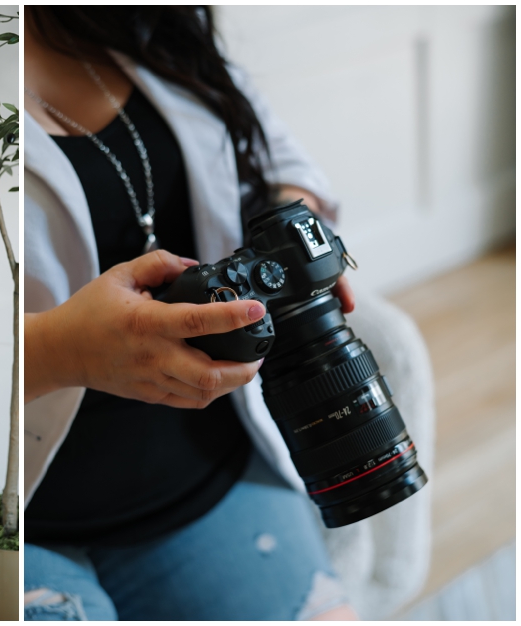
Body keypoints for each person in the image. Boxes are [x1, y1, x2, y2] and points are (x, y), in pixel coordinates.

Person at [22, 7, 358, 621]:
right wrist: (61, 349)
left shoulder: (155, 25)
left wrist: (288, 245)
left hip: (203, 473)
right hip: (16, 518)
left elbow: (283, 167)